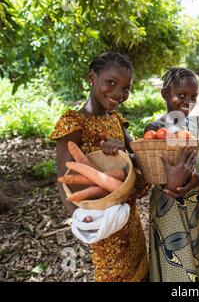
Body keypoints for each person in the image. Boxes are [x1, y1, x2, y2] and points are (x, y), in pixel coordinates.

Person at [50, 52, 148, 282]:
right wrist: (82, 220)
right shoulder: (74, 123)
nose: (118, 93)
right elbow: (64, 178)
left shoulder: (116, 120)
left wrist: (126, 154)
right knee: (113, 274)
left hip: (128, 215)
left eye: (125, 88)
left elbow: (138, 160)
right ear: (92, 78)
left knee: (139, 269)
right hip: (103, 220)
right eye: (111, 83)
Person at [146, 67, 199, 282]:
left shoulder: (198, 124)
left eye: (193, 97)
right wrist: (173, 185)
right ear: (165, 94)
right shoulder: (155, 128)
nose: (188, 101)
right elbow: (151, 171)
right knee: (178, 264)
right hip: (169, 206)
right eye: (181, 95)